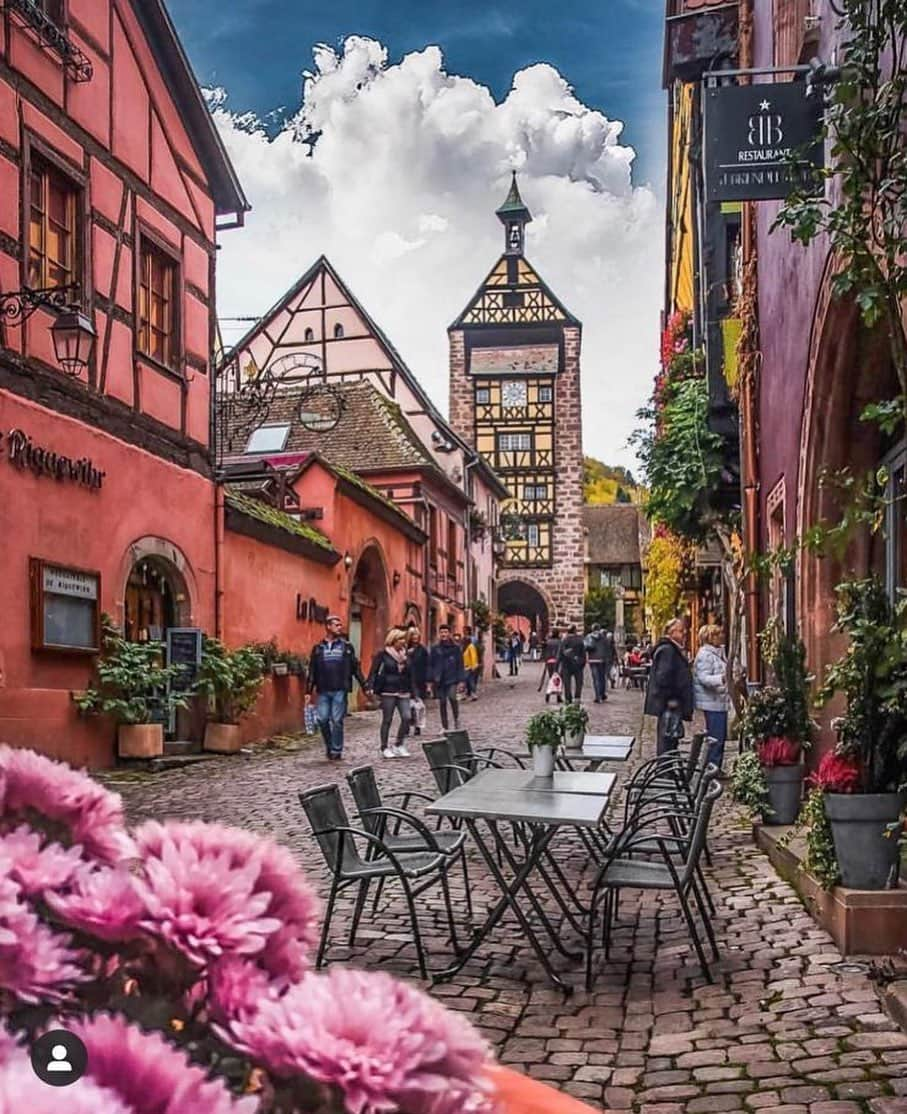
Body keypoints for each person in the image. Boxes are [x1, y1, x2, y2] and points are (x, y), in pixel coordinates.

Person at [307, 615, 369, 761]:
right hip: (323, 689)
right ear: (328, 627)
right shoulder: (318, 648)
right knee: (322, 719)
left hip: (340, 689)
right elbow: (312, 670)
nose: (340, 628)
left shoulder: (346, 647)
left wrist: (364, 685)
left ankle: (336, 749)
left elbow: (355, 668)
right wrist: (308, 691)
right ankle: (329, 745)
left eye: (340, 625)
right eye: (336, 625)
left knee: (336, 720)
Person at [644, 617, 694, 755]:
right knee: (668, 736)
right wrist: (671, 698)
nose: (684, 633)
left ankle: (668, 768)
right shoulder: (668, 650)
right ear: (671, 632)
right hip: (670, 703)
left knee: (671, 737)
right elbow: (663, 677)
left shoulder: (672, 649)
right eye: (681, 631)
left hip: (672, 702)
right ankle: (665, 769)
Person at [368, 628, 413, 759]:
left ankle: (399, 744)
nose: (403, 641)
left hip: (403, 689)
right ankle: (384, 747)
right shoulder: (383, 654)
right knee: (387, 719)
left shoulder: (406, 655)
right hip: (388, 690)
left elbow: (411, 673)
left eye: (404, 639)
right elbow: (374, 671)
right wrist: (370, 685)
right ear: (393, 640)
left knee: (407, 717)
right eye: (400, 639)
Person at [693, 623, 730, 770]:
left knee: (719, 737)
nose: (722, 635)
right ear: (710, 637)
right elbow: (703, 678)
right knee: (716, 738)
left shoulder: (717, 653)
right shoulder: (705, 655)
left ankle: (715, 767)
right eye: (718, 633)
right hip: (712, 702)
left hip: (719, 701)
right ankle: (711, 768)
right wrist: (722, 679)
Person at [430, 624, 466, 730]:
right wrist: (431, 679)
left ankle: (456, 719)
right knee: (442, 702)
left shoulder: (455, 648)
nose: (443, 634)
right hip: (439, 679)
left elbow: (460, 664)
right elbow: (431, 664)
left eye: (445, 632)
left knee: (452, 698)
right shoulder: (435, 648)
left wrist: (461, 680)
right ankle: (445, 726)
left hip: (452, 678)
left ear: (449, 634)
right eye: (441, 632)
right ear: (439, 634)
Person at [407, 626, 430, 735]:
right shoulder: (405, 649)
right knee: (407, 705)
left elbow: (427, 665)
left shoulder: (423, 650)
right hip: (406, 680)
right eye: (413, 635)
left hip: (420, 680)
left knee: (418, 705)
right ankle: (407, 724)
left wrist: (428, 682)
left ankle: (417, 726)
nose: (415, 637)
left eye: (416, 635)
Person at [558, 625, 587, 704]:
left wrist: (557, 666)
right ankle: (577, 697)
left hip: (566, 664)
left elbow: (560, 653)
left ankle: (568, 697)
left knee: (567, 682)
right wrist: (582, 662)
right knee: (579, 682)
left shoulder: (564, 640)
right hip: (577, 664)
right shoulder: (579, 640)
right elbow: (583, 653)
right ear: (575, 630)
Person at [585, 624, 612, 704]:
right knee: (602, 678)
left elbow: (586, 647)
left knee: (595, 678)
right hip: (602, 659)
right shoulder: (604, 637)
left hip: (593, 659)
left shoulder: (589, 637)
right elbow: (608, 648)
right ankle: (602, 694)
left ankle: (597, 696)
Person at [463, 634, 480, 701]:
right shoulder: (466, 647)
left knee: (470, 681)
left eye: (466, 640)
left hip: (470, 667)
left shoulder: (471, 646)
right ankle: (468, 693)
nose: (464, 641)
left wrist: (474, 666)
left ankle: (473, 693)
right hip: (466, 667)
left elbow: (473, 657)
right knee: (467, 681)